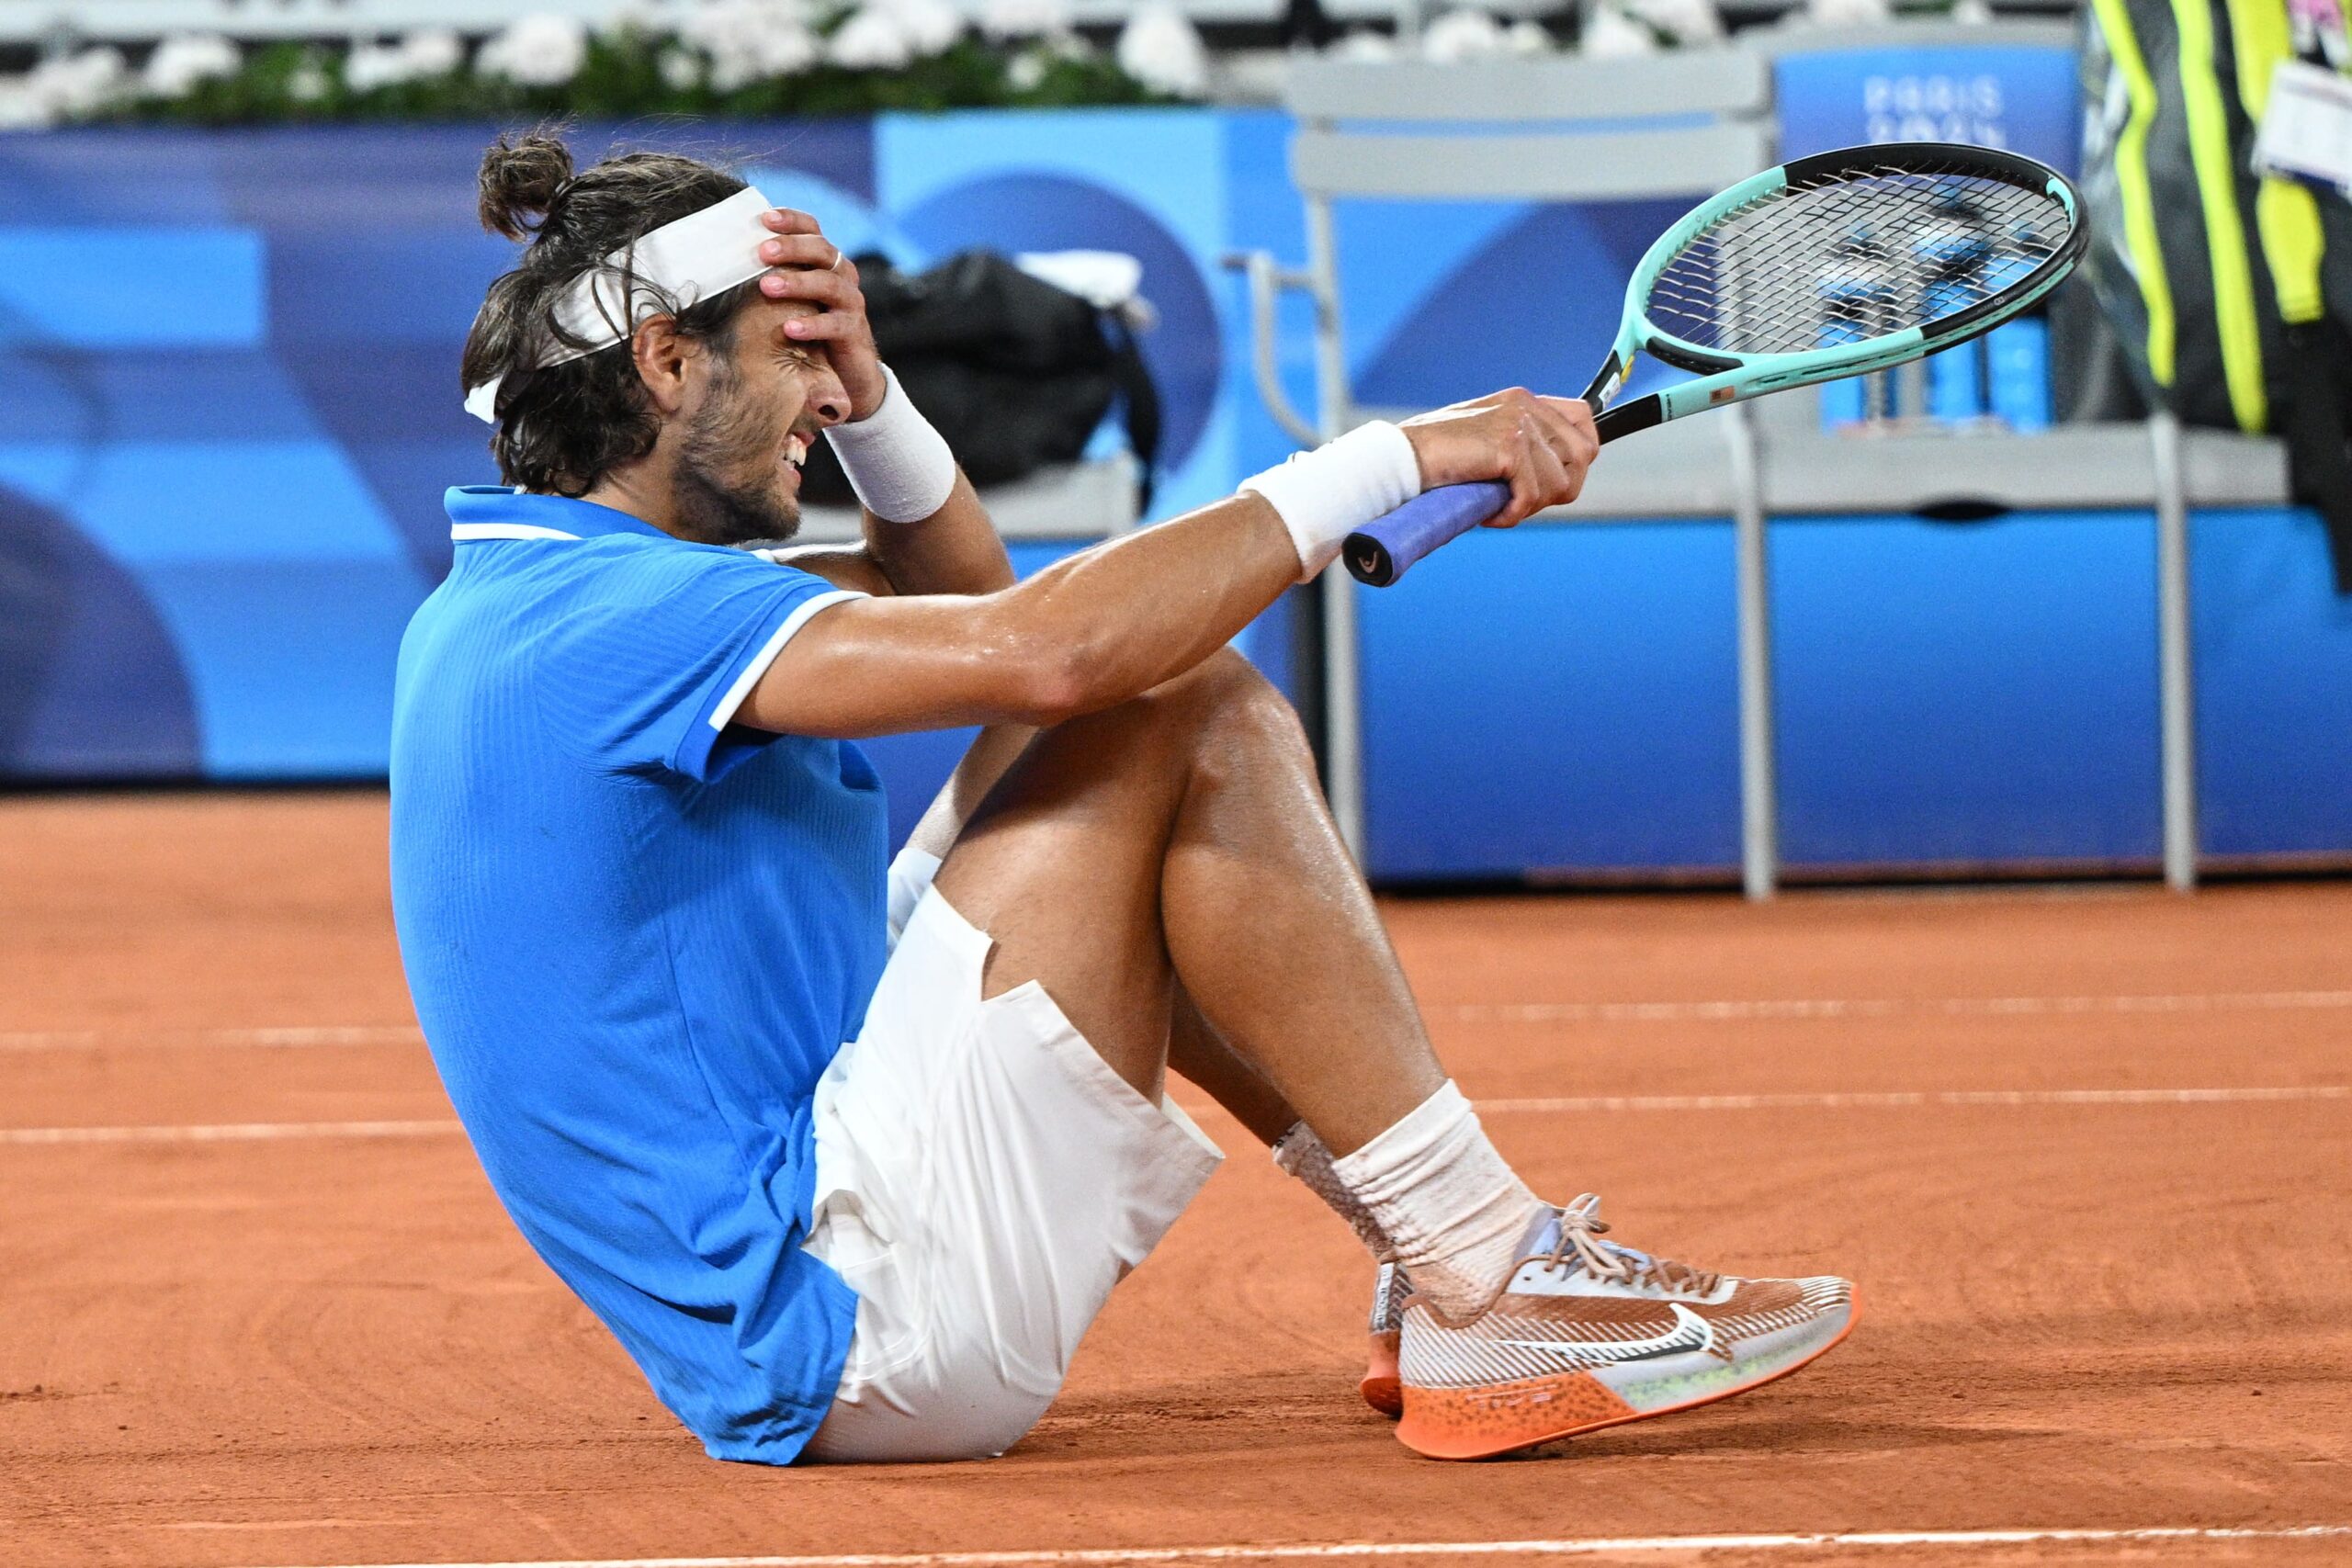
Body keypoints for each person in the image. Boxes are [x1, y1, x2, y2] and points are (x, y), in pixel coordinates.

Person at [389, 130, 1856, 1468]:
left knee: (1123, 720)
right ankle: (1489, 1269)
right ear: (665, 364)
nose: (824, 397)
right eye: (796, 357)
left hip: (805, 1265)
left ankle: (1446, 1259)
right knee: (1181, 704)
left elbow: (965, 603)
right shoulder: (610, 623)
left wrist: (880, 399)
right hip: (858, 1316)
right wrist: (1392, 456)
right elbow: (1056, 652)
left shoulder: (547, 599)